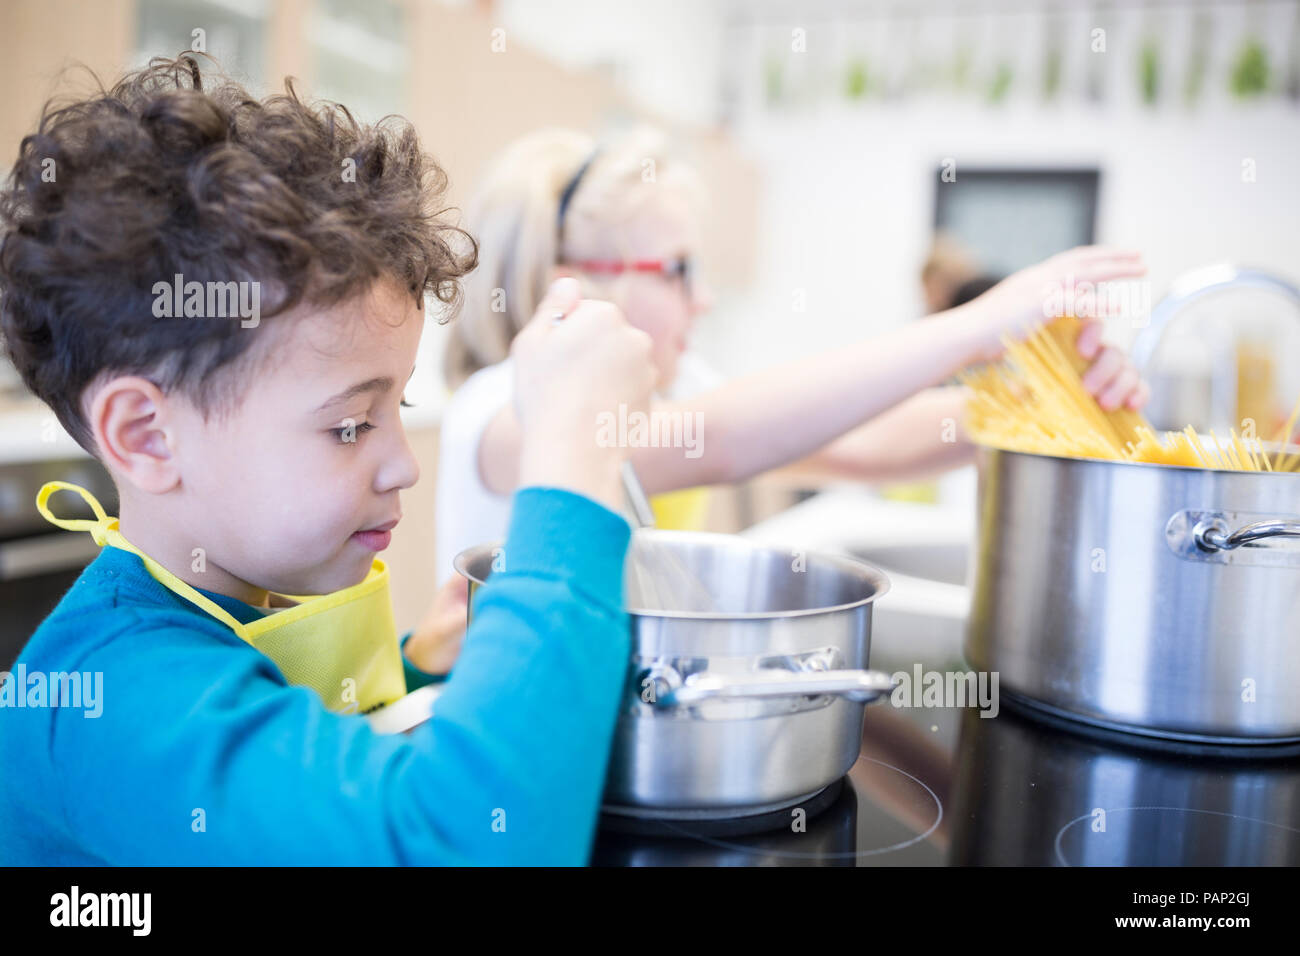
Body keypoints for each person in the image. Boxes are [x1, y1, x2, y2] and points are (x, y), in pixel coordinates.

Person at [0, 55, 657, 864]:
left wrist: (409, 675)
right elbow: (465, 843)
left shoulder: (245, 595)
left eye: (399, 407)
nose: (401, 465)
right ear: (147, 436)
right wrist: (572, 458)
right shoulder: (111, 704)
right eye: (350, 423)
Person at [435, 127, 1151, 579]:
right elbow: (724, 439)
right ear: (579, 283)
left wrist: (1043, 407)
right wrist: (979, 324)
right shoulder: (501, 411)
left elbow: (863, 440)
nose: (704, 299)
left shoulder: (676, 384)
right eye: (680, 269)